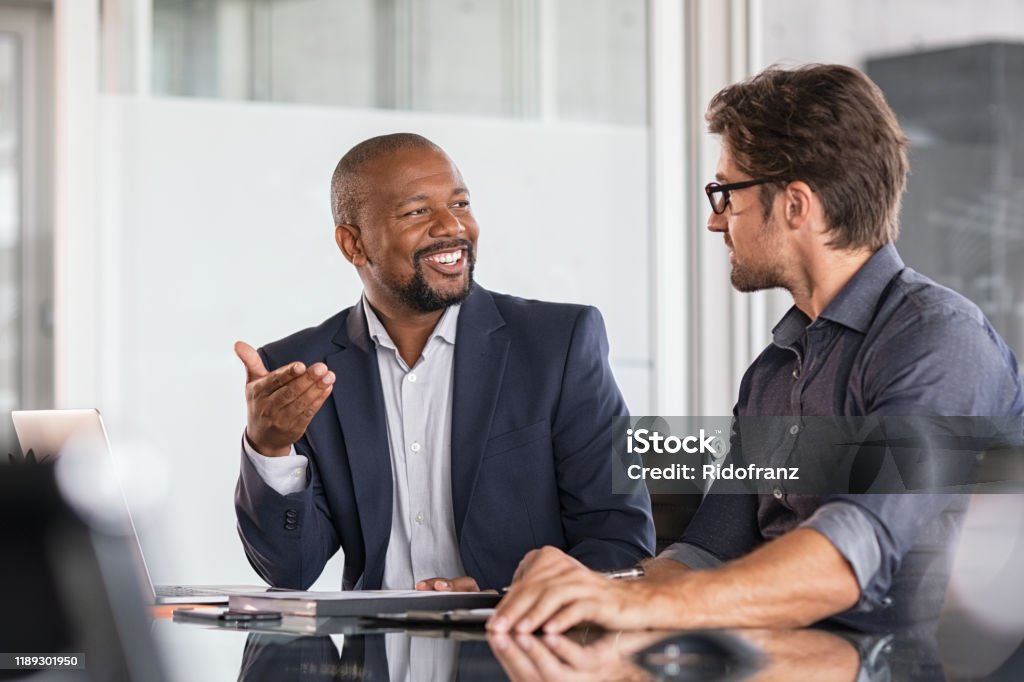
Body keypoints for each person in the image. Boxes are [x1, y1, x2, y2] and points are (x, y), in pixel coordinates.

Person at [489, 64, 1024, 633]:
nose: (715, 221)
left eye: (727, 193)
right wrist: (580, 591)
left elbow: (852, 552)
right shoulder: (774, 370)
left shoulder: (936, 340)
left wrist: (639, 607)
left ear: (795, 204)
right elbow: (704, 554)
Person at [233, 133, 654, 592]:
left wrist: (506, 597)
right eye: (417, 211)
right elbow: (290, 571)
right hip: (375, 656)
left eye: (460, 204)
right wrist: (269, 449)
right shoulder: (301, 370)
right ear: (353, 245)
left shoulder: (558, 345)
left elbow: (619, 540)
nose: (451, 226)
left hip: (518, 648)